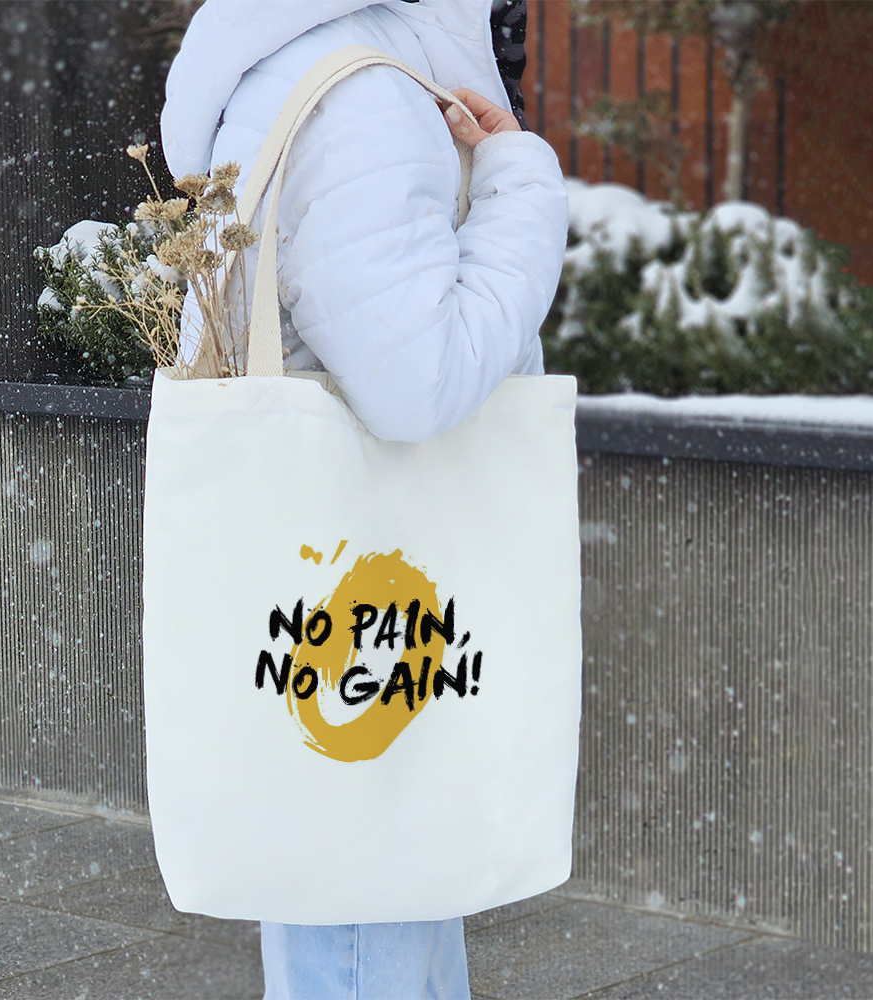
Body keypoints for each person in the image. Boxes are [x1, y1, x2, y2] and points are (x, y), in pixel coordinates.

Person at [160, 1, 568, 996]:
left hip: (345, 590)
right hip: (369, 600)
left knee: (368, 884)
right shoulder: (362, 94)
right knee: (366, 909)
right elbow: (415, 384)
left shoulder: (312, 60)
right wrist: (520, 185)